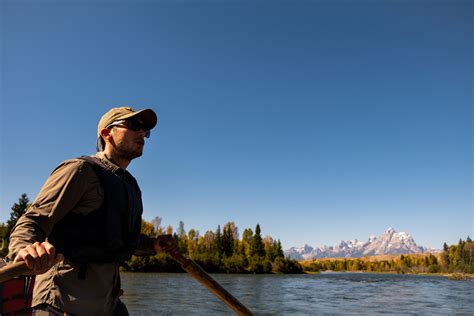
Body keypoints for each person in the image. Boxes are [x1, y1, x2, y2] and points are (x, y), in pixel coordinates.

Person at [7, 106, 178, 316]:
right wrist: (26, 248)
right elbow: (32, 221)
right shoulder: (80, 170)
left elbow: (122, 240)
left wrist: (152, 244)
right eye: (133, 125)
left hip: (108, 303)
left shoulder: (130, 185)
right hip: (62, 304)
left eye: (146, 131)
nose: (142, 133)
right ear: (106, 134)